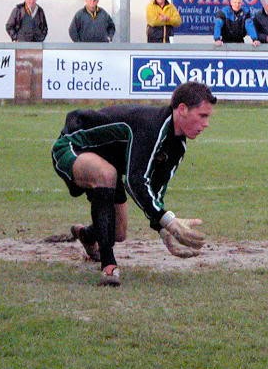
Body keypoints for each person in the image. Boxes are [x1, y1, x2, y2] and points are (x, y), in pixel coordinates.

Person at [51, 82, 216, 286]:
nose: (206, 123)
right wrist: (168, 221)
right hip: (72, 145)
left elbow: (155, 190)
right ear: (182, 109)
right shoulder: (151, 126)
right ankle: (109, 266)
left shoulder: (178, 146)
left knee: (118, 233)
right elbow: (134, 180)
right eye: (202, 116)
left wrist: (163, 230)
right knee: (107, 174)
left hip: (106, 161)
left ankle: (86, 234)